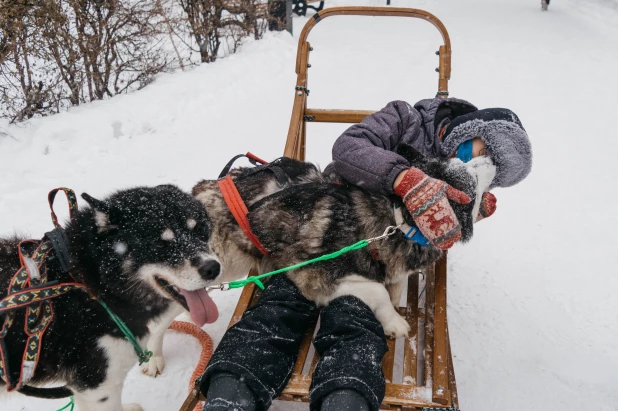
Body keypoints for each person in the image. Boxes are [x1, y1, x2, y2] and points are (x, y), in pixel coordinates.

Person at [199, 97, 532, 411]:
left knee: (355, 322)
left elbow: (441, 233)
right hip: (327, 229)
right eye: (483, 148)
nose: (476, 161)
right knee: (280, 305)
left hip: (377, 261)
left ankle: (346, 399)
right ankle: (230, 395)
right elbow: (348, 148)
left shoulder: (465, 176)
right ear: (472, 127)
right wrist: (403, 177)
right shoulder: (406, 118)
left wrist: (467, 217)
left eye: (489, 166)